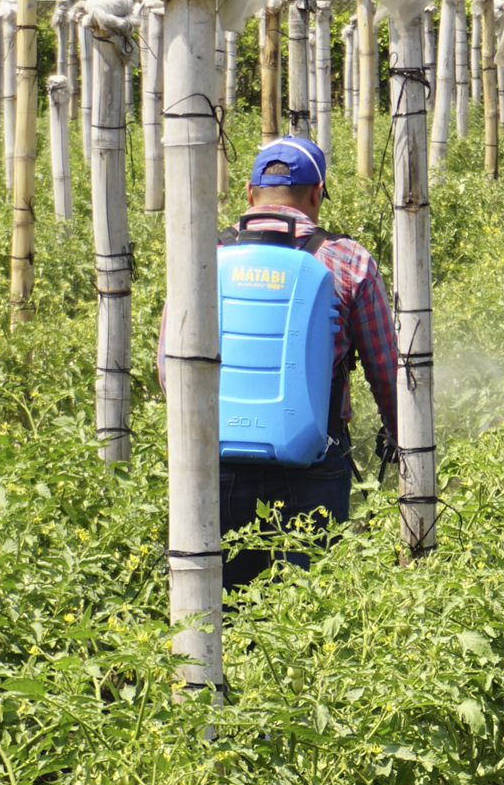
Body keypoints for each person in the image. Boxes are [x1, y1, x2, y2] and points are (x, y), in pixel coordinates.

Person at [165, 136, 398, 590]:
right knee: (307, 615)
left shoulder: (201, 259)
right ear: (316, 193)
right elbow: (385, 373)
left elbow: (167, 369)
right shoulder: (349, 260)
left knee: (220, 608)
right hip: (315, 465)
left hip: (218, 462)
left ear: (250, 195)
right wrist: (400, 439)